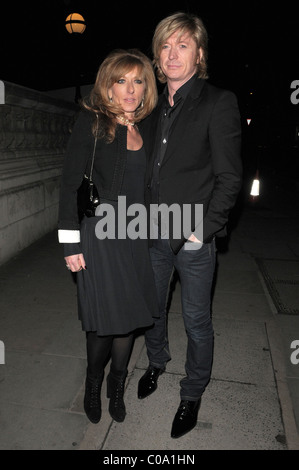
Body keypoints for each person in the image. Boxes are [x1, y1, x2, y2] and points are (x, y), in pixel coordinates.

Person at [138, 12, 242, 438]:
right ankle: (157, 362)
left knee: (197, 320)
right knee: (152, 309)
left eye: (183, 45)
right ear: (157, 59)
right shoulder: (149, 105)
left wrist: (206, 228)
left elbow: (230, 176)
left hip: (193, 235)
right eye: (166, 46)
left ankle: (192, 391)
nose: (173, 53)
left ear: (199, 55)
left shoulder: (219, 102)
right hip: (149, 229)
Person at [58, 49, 158, 425]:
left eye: (137, 81)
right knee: (105, 320)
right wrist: (70, 243)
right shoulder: (92, 122)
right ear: (108, 86)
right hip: (100, 235)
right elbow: (69, 184)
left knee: (129, 319)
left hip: (134, 235)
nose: (130, 90)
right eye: (121, 81)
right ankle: (93, 382)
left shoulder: (146, 127)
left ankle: (117, 386)